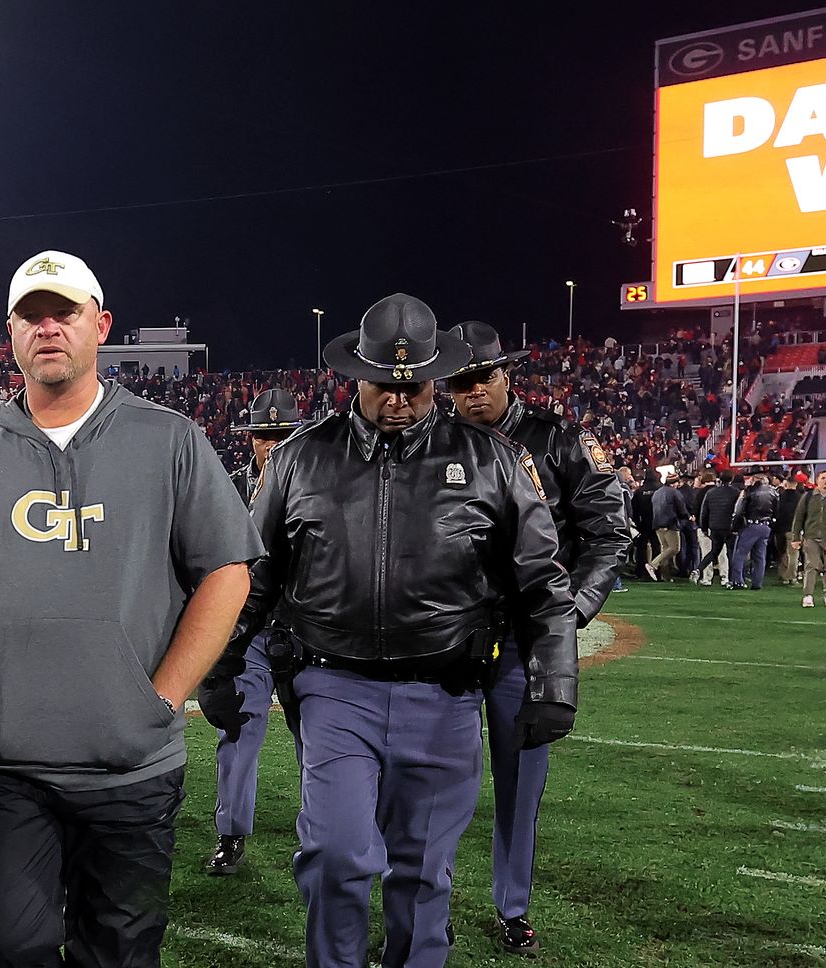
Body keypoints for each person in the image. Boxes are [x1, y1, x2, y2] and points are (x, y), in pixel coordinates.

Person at [0, 251, 262, 966]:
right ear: (10, 334)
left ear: (101, 324)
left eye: (64, 311)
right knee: (3, 947)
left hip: (133, 767)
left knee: (119, 954)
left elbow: (227, 572)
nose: (48, 327)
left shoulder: (170, 438)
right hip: (5, 771)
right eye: (31, 314)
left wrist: (163, 697)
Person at [199, 294, 577, 968]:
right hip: (333, 687)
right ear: (357, 376)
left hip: (448, 693)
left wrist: (554, 681)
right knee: (336, 855)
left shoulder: (493, 459)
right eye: (383, 387)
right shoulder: (299, 458)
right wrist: (222, 667)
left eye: (415, 388)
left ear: (436, 378)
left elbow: (541, 583)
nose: (398, 402)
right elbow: (250, 578)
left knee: (424, 874)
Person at [445, 319, 630, 954]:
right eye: (460, 383)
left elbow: (609, 531)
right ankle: (424, 901)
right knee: (432, 784)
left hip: (524, 646)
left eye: (482, 379)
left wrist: (569, 612)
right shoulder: (431, 445)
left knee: (519, 785)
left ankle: (512, 905)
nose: (473, 393)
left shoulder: (558, 440)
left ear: (505, 376)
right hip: (448, 643)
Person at [205, 387, 302, 877]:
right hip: (251, 636)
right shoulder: (231, 490)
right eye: (264, 435)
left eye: (282, 434)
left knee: (317, 738)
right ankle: (231, 834)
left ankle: (322, 828)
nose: (272, 444)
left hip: (307, 634)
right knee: (239, 731)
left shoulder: (319, 488)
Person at [792, 471, 826, 610]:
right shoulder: (808, 496)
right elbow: (799, 517)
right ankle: (808, 595)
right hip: (811, 537)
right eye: (823, 478)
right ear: (817, 480)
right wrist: (796, 537)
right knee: (811, 566)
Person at [731, 472, 779, 590]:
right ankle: (757, 583)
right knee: (760, 556)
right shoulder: (774, 492)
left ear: (754, 479)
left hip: (751, 525)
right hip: (766, 526)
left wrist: (735, 527)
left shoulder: (749, 492)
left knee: (739, 554)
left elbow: (738, 511)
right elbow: (777, 511)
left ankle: (738, 581)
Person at [696, 471, 741, 586]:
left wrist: (704, 527)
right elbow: (739, 510)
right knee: (729, 554)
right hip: (730, 527)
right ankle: (728, 578)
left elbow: (704, 512)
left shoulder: (711, 493)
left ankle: (699, 570)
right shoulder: (735, 492)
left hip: (715, 527)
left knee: (713, 552)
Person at [651, 470, 691, 581]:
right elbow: (681, 508)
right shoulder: (674, 492)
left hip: (657, 524)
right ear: (675, 482)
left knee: (665, 550)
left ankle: (665, 576)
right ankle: (653, 564)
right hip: (670, 523)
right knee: (674, 548)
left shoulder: (657, 492)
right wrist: (688, 517)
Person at [773, 473, 803, 584]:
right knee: (793, 554)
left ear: (787, 483)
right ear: (796, 484)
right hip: (794, 529)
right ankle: (791, 577)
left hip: (779, 529)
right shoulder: (801, 498)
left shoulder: (779, 496)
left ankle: (783, 575)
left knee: (782, 553)